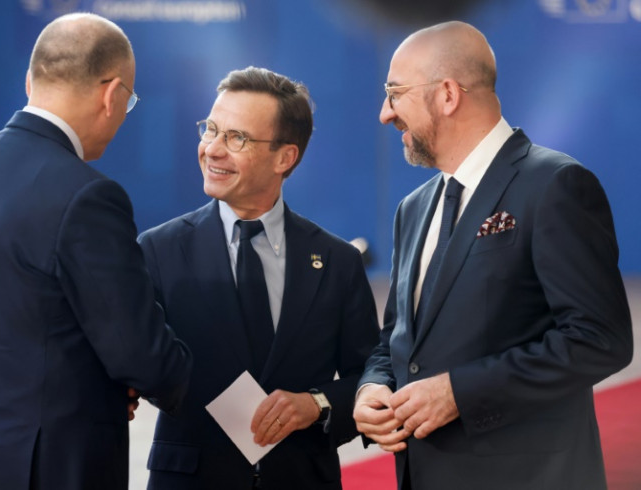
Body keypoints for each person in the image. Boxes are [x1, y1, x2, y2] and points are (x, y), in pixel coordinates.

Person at [353, 21, 633, 490]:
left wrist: (459, 393)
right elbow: (396, 337)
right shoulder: (414, 208)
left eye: (395, 93)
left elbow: (600, 339)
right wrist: (373, 386)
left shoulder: (555, 184)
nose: (385, 113)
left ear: (447, 95)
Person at [0, 13, 192, 490]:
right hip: (48, 467)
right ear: (112, 95)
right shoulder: (88, 195)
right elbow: (139, 355)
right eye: (128, 102)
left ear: (32, 81)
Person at [137, 66, 380, 489]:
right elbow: (138, 364)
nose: (212, 149)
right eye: (210, 130)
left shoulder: (337, 261)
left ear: (285, 157)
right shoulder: (158, 250)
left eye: (237, 138)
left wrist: (317, 404)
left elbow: (373, 376)